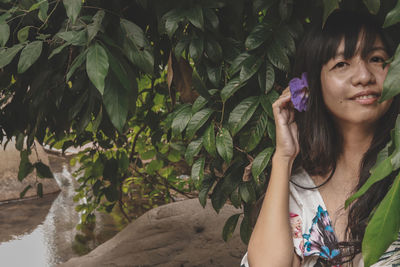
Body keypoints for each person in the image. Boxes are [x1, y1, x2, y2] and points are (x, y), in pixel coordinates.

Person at [241, 9, 400, 267]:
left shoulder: (396, 173)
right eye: (341, 64)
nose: (364, 76)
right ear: (313, 85)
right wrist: (283, 158)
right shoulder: (300, 192)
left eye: (376, 58)